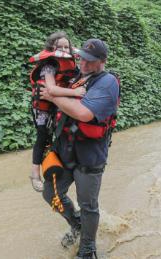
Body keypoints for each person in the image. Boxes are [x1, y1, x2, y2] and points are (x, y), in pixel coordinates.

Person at [40, 38, 120, 259]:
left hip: (90, 155)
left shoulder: (107, 82)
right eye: (81, 57)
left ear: (102, 61)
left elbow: (84, 113)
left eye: (90, 60)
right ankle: (77, 225)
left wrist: (54, 97)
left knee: (88, 205)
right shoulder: (74, 77)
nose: (83, 63)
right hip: (64, 150)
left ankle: (87, 248)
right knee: (51, 193)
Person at [29, 31, 85, 192]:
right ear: (52, 47)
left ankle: (57, 167)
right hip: (43, 106)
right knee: (42, 137)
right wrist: (75, 93)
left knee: (61, 134)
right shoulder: (49, 65)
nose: (63, 49)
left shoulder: (72, 61)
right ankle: (34, 174)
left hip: (58, 105)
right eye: (59, 46)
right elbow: (51, 89)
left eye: (66, 46)